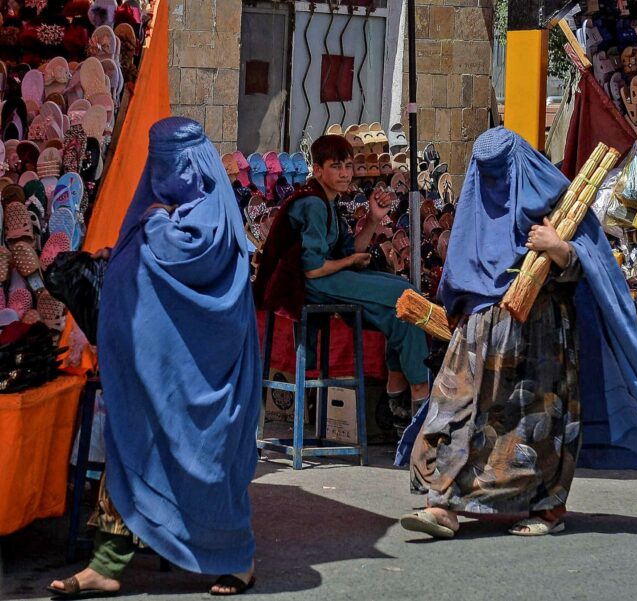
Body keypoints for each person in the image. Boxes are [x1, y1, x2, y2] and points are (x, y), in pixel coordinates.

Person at [398, 127, 637, 537]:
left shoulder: (557, 201)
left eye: (501, 172)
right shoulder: (477, 205)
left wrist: (558, 248)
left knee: (534, 427)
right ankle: (442, 505)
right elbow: (458, 270)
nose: (496, 184)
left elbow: (595, 267)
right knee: (455, 413)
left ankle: (546, 509)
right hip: (477, 337)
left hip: (541, 337)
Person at [48, 117, 260, 597]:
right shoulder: (153, 212)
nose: (161, 171)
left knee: (209, 463)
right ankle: (106, 564)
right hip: (149, 370)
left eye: (170, 162)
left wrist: (158, 223)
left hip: (205, 373)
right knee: (130, 451)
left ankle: (236, 559)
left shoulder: (208, 216)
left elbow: (194, 260)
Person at [254, 135, 431, 423]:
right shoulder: (312, 203)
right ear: (318, 169)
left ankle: (400, 395)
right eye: (336, 166)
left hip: (327, 278)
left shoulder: (330, 203)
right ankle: (415, 392)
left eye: (348, 166)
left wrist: (374, 219)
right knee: (405, 296)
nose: (345, 173)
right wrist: (350, 261)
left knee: (402, 310)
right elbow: (313, 268)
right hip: (310, 284)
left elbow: (353, 249)